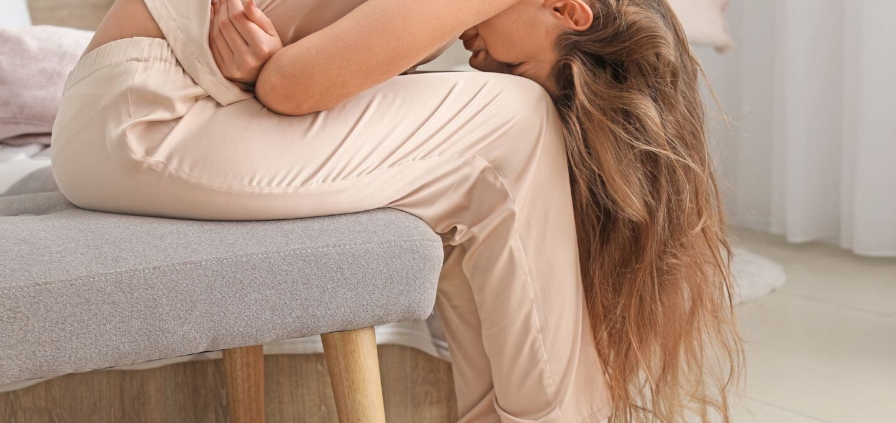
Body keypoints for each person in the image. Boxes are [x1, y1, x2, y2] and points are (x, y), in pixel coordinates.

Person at [51, 0, 742, 421]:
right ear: (567, 8)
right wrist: (275, 69)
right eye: (526, 63)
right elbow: (292, 87)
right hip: (152, 116)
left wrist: (275, 67)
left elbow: (298, 71)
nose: (488, 67)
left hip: (135, 114)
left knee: (470, 181)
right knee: (516, 122)